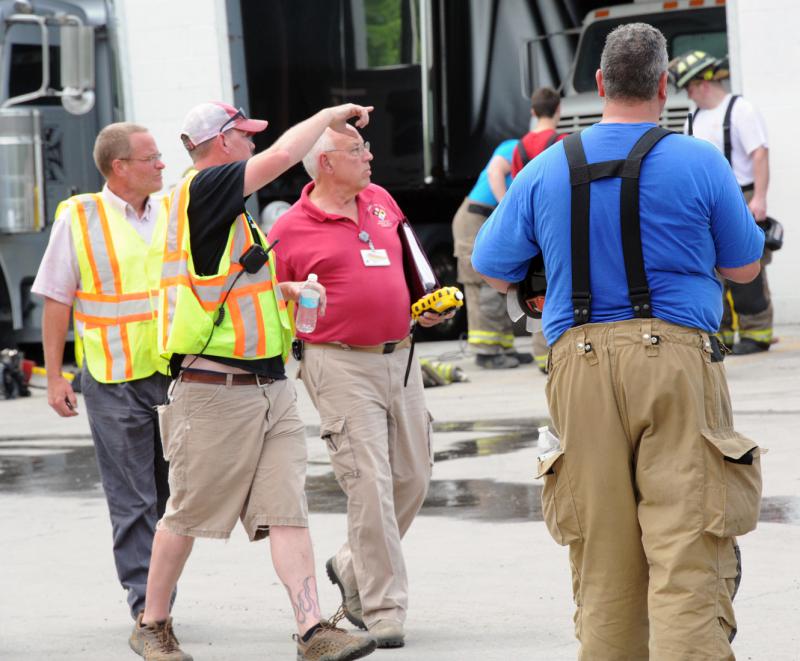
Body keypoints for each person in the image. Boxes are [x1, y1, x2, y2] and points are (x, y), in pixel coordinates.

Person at [473, 24, 764, 659]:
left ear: (599, 85)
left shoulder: (547, 165)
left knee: (602, 555)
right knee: (687, 547)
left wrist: (541, 283)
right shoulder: (698, 161)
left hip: (575, 363)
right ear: (665, 86)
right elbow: (744, 267)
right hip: (678, 362)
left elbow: (493, 263)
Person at [132, 102, 377, 661]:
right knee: (187, 514)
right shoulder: (206, 188)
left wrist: (281, 293)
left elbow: (222, 292)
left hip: (268, 390)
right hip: (213, 393)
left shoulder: (228, 212)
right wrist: (330, 115)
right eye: (243, 135)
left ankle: (313, 630)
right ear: (221, 143)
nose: (250, 144)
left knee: (287, 510)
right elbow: (288, 154)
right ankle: (153, 623)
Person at [268, 126, 453, 649]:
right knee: (368, 481)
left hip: (402, 356)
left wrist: (428, 299)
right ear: (325, 163)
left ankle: (350, 563)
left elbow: (410, 256)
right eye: (356, 150)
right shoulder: (290, 228)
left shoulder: (380, 199)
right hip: (338, 363)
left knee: (414, 475)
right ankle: (382, 607)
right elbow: (264, 299)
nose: (370, 155)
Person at [32, 123, 171, 626]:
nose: (161, 165)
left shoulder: (170, 212)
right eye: (151, 158)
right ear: (120, 167)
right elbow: (56, 299)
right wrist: (54, 377)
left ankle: (158, 596)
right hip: (112, 378)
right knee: (133, 499)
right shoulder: (80, 216)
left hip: (173, 376)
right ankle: (148, 609)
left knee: (171, 498)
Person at [669, 50, 773, 354]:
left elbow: (760, 154)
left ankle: (757, 333)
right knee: (712, 268)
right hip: (708, 201)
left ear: (702, 82)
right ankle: (722, 335)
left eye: (688, 87)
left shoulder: (741, 110)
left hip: (743, 195)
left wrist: (761, 198)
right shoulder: (696, 119)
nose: (688, 94)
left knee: (746, 266)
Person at [487, 87, 565, 372]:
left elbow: (518, 186)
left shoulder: (519, 147)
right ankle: (555, 350)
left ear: (533, 112)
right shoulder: (563, 142)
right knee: (560, 284)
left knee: (536, 286)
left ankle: (540, 351)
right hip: (556, 225)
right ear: (559, 110)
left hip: (530, 227)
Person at [451, 138, 531, 369]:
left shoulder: (530, 156)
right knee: (482, 284)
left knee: (501, 283)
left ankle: (504, 347)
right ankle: (486, 352)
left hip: (489, 216)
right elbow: (495, 172)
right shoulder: (514, 146)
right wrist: (508, 207)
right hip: (476, 217)